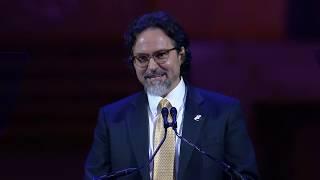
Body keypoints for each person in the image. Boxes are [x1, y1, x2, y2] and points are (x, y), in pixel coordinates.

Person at [84, 11, 259, 180]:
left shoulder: (223, 113)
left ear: (181, 55)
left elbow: (245, 177)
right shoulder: (112, 118)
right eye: (142, 58)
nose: (151, 66)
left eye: (161, 55)